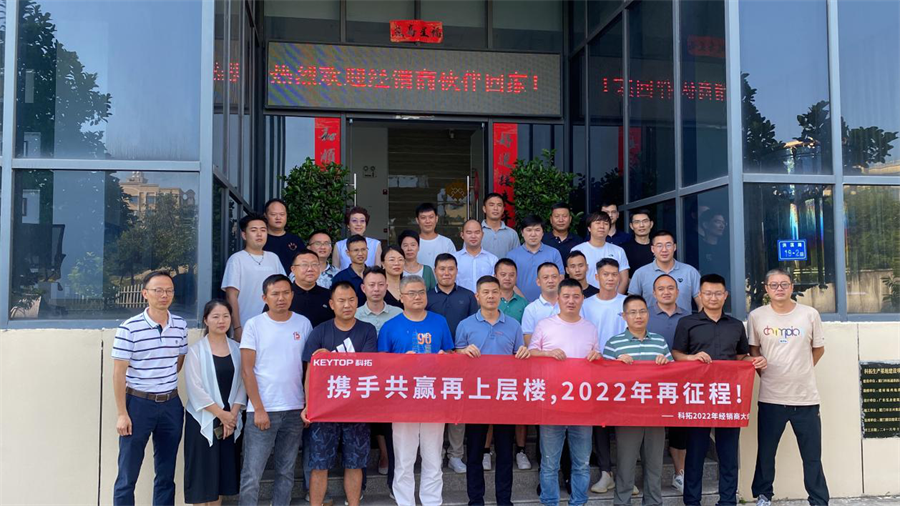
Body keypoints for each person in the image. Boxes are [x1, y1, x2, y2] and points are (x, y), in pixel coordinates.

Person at [672, 274, 767, 506]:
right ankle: (692, 501)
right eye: (707, 293)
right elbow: (676, 354)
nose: (712, 298)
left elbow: (740, 356)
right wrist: (692, 358)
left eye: (717, 293)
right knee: (696, 453)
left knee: (728, 453)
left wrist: (755, 361)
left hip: (728, 396)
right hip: (697, 396)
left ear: (725, 296)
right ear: (700, 296)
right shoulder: (687, 323)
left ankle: (727, 501)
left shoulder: (735, 325)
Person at [748, 269, 828, 506]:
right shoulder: (757, 316)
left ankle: (818, 500)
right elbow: (754, 350)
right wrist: (765, 373)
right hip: (771, 397)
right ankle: (764, 495)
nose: (779, 289)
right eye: (774, 285)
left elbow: (819, 348)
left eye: (784, 284)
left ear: (792, 287)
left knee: (812, 456)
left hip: (805, 398)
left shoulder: (809, 314)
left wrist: (802, 369)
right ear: (766, 288)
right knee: (766, 452)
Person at [112, 271, 188, 506]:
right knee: (127, 474)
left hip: (171, 404)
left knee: (166, 473)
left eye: (169, 290)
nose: (164, 295)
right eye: (158, 290)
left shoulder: (180, 325)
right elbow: (118, 373)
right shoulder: (129, 328)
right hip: (138, 405)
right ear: (145, 293)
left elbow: (178, 361)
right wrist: (122, 413)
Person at [378, 275, 455, 506]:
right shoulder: (390, 326)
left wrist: (445, 358)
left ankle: (432, 501)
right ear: (401, 297)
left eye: (421, 292)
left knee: (433, 457)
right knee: (404, 458)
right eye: (411, 293)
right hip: (403, 401)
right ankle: (405, 502)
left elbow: (450, 354)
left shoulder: (439, 322)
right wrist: (401, 362)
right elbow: (381, 365)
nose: (417, 297)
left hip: (433, 398)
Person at [301, 282, 379, 506]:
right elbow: (310, 373)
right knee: (319, 464)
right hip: (325, 410)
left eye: (351, 300)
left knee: (355, 464)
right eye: (341, 301)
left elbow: (367, 367)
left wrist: (331, 359)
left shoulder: (367, 330)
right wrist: (309, 405)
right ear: (332, 304)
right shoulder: (320, 331)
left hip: (357, 410)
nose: (347, 305)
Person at [456, 275, 530, 506]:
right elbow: (455, 357)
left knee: (505, 453)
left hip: (504, 396)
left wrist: (524, 353)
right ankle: (475, 500)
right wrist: (462, 352)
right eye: (486, 292)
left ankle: (504, 500)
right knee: (475, 453)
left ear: (500, 295)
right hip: (476, 396)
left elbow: (519, 355)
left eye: (494, 292)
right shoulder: (465, 325)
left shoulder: (513, 325)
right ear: (477, 296)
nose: (491, 296)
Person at [239, 274, 312, 506]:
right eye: (275, 294)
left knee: (286, 471)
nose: (281, 298)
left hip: (294, 409)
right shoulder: (254, 325)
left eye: (285, 293)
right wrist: (259, 408)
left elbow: (309, 369)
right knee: (252, 474)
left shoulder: (303, 323)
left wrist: (308, 405)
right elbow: (247, 370)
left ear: (292, 295)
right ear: (265, 297)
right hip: (263, 409)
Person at [528, 279, 602, 506]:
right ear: (558, 298)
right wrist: (548, 354)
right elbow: (530, 354)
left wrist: (597, 357)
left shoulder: (590, 327)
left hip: (583, 404)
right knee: (550, 463)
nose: (571, 301)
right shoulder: (544, 325)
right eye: (566, 296)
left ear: (582, 299)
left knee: (581, 463)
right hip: (552, 403)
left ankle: (578, 502)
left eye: (576, 296)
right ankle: (550, 502)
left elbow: (597, 357)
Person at [601, 295, 672, 506]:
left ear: (648, 314)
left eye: (642, 311)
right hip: (626, 413)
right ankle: (622, 503)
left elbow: (673, 377)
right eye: (632, 312)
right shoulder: (614, 343)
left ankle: (653, 502)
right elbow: (603, 381)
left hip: (655, 412)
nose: (638, 316)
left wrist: (665, 364)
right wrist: (616, 365)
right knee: (626, 464)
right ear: (624, 316)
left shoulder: (659, 341)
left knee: (655, 465)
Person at [184, 299, 246, 505]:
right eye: (216, 316)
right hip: (204, 418)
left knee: (221, 477)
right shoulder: (195, 351)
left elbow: (243, 383)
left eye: (226, 316)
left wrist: (232, 416)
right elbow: (195, 388)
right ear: (206, 320)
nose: (221, 321)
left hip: (230, 422)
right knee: (202, 476)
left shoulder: (238, 349)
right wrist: (222, 415)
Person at [425, 252, 478, 474]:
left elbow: (476, 325)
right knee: (435, 409)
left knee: (457, 408)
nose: (446, 273)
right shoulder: (426, 296)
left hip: (461, 361)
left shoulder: (468, 296)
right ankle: (435, 454)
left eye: (450, 269)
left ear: (457, 271)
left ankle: (456, 455)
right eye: (442, 269)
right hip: (433, 361)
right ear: (435, 271)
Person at [580, 258, 626, 494]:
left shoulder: (627, 302)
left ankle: (626, 475)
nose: (610, 278)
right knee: (600, 423)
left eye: (614, 274)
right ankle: (606, 472)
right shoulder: (586, 304)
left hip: (624, 371)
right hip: (595, 371)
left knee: (625, 424)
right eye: (605, 274)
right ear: (596, 277)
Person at [355, 266, 403, 482]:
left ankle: (394, 479)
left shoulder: (399, 313)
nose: (376, 289)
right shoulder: (354, 313)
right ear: (363, 288)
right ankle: (360, 483)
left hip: (392, 379)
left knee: (391, 426)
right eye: (371, 285)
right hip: (362, 381)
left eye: (381, 285)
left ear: (387, 286)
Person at [646, 274, 691, 492]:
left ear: (677, 292)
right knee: (647, 428)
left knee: (679, 427)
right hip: (648, 381)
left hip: (681, 380)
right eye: (661, 289)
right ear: (654, 293)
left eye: (670, 288)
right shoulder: (644, 315)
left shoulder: (690, 316)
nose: (666, 292)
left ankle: (679, 472)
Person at [222, 214, 285, 341]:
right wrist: (237, 327)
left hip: (274, 327)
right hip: (246, 327)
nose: (259, 234)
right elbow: (231, 296)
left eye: (263, 230)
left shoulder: (274, 258)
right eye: (254, 230)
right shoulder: (236, 259)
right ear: (244, 235)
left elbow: (284, 290)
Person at [628, 230, 702, 311]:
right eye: (659, 246)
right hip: (651, 319)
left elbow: (702, 302)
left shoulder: (690, 272)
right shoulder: (640, 273)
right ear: (652, 249)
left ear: (674, 247)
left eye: (668, 245)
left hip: (684, 319)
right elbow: (632, 305)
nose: (664, 250)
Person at [506, 215, 564, 302]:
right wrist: (524, 302)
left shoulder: (554, 253)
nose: (533, 234)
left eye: (537, 230)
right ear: (522, 233)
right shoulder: (512, 255)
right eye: (529, 230)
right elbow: (509, 282)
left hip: (549, 303)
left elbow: (560, 278)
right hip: (519, 303)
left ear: (543, 233)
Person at [570, 211, 629, 294]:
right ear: (589, 228)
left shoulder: (618, 251)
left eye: (606, 223)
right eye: (598, 223)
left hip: (612, 297)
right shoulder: (578, 250)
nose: (602, 226)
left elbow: (624, 280)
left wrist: (615, 298)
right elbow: (573, 278)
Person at [278, 249, 334, 328]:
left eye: (314, 264)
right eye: (304, 265)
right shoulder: (281, 296)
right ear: (293, 269)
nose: (310, 269)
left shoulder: (330, 295)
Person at [454, 219, 500, 293]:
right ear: (462, 235)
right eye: (469, 232)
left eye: (477, 232)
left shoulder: (492, 260)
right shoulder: (455, 259)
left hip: (486, 299)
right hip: (461, 299)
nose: (473, 236)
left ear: (482, 234)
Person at [521, 262, 562, 343]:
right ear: (538, 282)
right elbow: (528, 341)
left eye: (554, 277)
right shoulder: (531, 309)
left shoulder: (569, 305)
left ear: (560, 279)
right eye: (545, 277)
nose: (550, 281)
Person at [262, 198, 306, 273]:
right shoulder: (261, 239)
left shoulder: (296, 240)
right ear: (265, 216)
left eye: (282, 214)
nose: (278, 218)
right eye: (273, 214)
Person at [415, 202, 457, 268]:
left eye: (431, 217)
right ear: (417, 220)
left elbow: (452, 267)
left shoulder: (447, 243)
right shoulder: (412, 243)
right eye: (423, 218)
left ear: (436, 218)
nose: (427, 221)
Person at [332, 235, 369, 306]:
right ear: (348, 253)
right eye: (356, 250)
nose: (360, 253)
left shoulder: (373, 275)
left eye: (363, 249)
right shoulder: (340, 278)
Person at [481, 193, 520, 258]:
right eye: (491, 205)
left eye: (499, 205)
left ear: (503, 209)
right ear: (484, 209)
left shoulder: (512, 234)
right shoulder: (475, 232)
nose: (495, 208)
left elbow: (517, 258)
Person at [495, 258, 527, 322]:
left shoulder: (524, 304)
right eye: (503, 275)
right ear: (495, 276)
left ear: (516, 277)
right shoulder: (489, 300)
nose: (507, 278)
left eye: (511, 275)